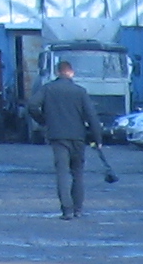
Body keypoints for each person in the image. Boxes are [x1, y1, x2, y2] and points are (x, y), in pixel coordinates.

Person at [38, 60, 102, 219]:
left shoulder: (48, 89)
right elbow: (91, 116)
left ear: (57, 72)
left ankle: (66, 210)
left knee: (62, 173)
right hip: (78, 137)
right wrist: (97, 138)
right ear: (71, 72)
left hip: (58, 137)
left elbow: (32, 105)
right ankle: (78, 209)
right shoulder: (80, 91)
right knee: (77, 173)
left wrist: (44, 120)